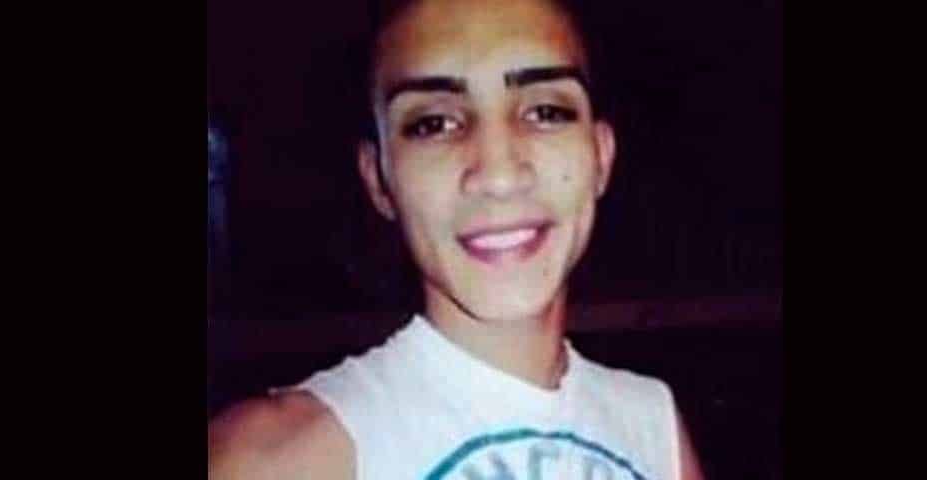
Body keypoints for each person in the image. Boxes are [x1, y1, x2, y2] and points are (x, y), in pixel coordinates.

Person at [209, 0, 705, 478]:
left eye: (545, 112)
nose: (499, 175)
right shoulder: (275, 456)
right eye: (434, 124)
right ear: (380, 179)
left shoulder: (651, 422)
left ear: (600, 156)